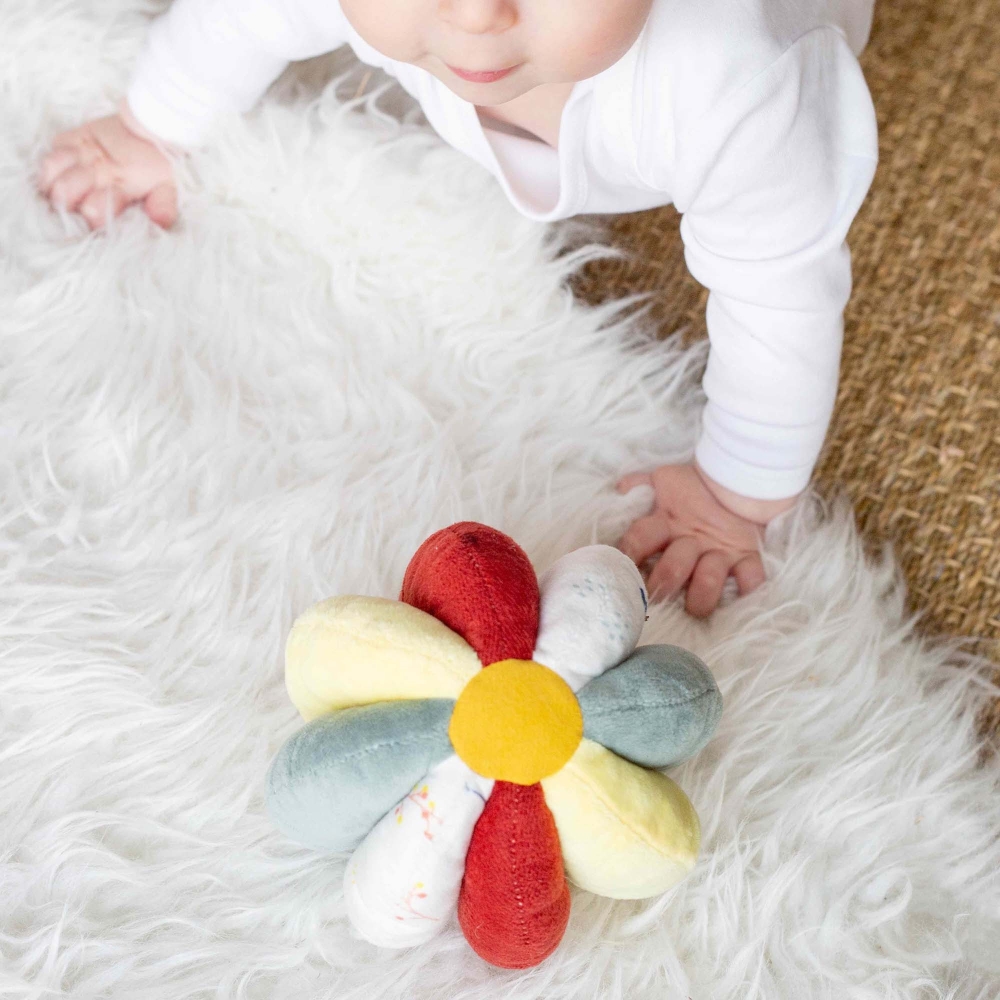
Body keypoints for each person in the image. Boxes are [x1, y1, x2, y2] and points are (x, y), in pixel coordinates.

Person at [37, 0, 879, 616]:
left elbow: (780, 296)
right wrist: (150, 125)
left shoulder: (743, 78)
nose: (475, 16)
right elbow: (244, 16)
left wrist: (734, 496)